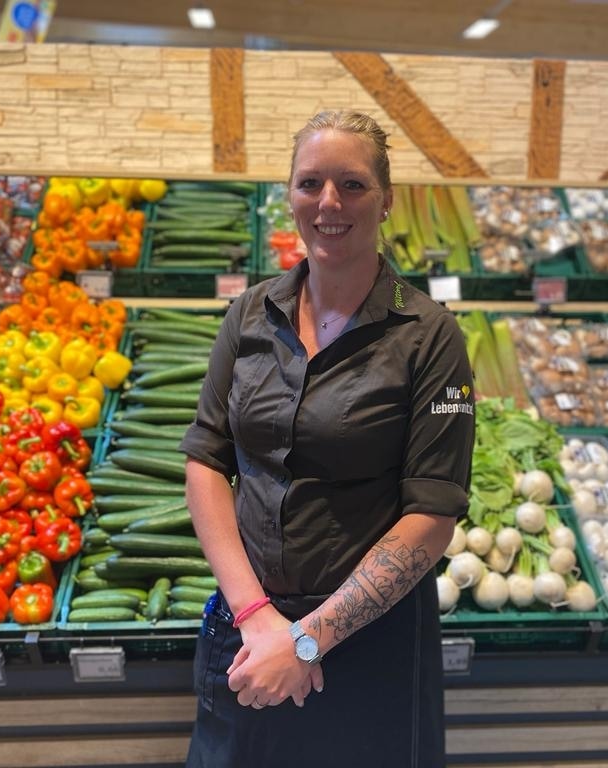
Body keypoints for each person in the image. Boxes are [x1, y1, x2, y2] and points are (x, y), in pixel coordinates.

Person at [180, 109, 475, 768]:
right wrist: (257, 618)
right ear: (290, 195)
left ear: (387, 199)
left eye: (353, 185)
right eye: (310, 183)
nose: (329, 203)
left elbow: (431, 517)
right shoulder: (249, 315)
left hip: (367, 644)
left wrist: (309, 642)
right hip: (248, 630)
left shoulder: (430, 338)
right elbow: (206, 460)